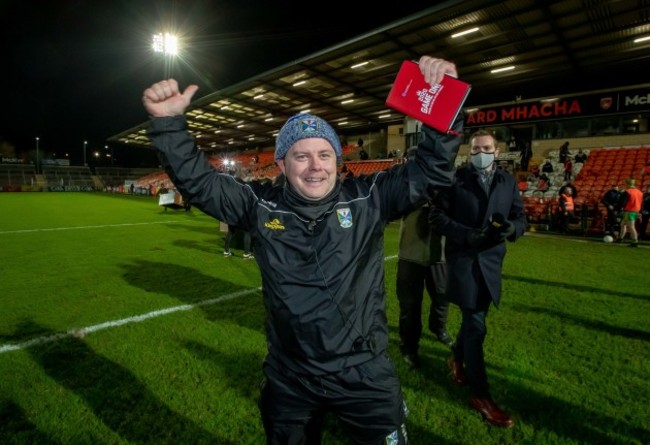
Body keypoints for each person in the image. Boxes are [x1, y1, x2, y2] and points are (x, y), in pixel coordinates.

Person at [142, 55, 462, 444]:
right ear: (281, 162)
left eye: (324, 154)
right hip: (290, 374)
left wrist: (443, 96)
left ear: (337, 160)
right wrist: (168, 125)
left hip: (364, 371)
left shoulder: (370, 197)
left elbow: (430, 171)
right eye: (301, 155)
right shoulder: (259, 204)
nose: (315, 166)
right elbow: (201, 185)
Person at [429, 129, 527, 429]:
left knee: (475, 320)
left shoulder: (508, 181)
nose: (479, 153)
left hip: (492, 264)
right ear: (468, 152)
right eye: (474, 149)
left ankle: (456, 359)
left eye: (485, 148)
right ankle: (480, 395)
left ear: (497, 151)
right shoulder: (455, 179)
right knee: (476, 326)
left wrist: (512, 228)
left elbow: (521, 216)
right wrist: (467, 234)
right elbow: (436, 216)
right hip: (465, 262)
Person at [396, 201, 452, 369]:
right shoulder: (410, 180)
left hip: (440, 252)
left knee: (442, 296)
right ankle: (409, 345)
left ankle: (438, 327)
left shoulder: (451, 181)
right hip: (410, 251)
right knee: (410, 304)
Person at [616, 179, 644, 247]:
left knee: (631, 227)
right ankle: (620, 238)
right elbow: (642, 203)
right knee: (623, 224)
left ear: (627, 184)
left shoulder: (628, 192)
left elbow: (622, 202)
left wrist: (617, 209)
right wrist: (640, 212)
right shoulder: (640, 192)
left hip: (629, 211)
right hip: (636, 211)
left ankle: (635, 241)